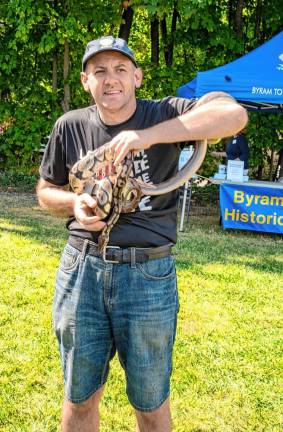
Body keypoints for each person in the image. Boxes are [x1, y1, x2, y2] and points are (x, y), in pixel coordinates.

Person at [36, 35, 248, 432]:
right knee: (78, 399)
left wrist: (145, 137)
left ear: (137, 76)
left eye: (120, 69)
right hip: (82, 270)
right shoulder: (70, 126)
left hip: (148, 276)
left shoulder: (163, 114)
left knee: (151, 406)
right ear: (85, 81)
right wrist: (73, 204)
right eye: (99, 71)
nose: (110, 79)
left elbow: (233, 116)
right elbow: (45, 191)